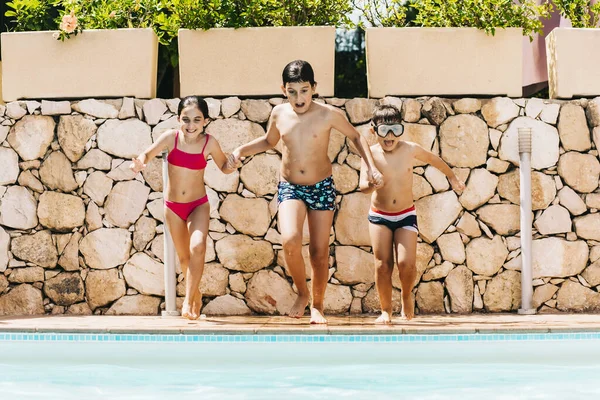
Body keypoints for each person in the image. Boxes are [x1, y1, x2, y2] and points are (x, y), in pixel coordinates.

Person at [228, 60, 383, 324]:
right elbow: (269, 141)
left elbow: (356, 137)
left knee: (319, 252)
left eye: (304, 90)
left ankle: (318, 306)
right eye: (292, 91)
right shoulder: (279, 114)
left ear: (314, 88)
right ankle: (302, 292)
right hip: (290, 186)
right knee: (289, 240)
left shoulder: (328, 114)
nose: (298, 98)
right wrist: (241, 150)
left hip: (321, 187)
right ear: (283, 89)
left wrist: (369, 167)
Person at [130, 96, 236, 320]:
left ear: (205, 121)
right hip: (173, 207)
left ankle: (188, 301)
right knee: (184, 258)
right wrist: (140, 161)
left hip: (198, 205)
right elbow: (147, 153)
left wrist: (233, 164)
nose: (191, 125)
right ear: (178, 119)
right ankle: (195, 295)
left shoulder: (209, 143)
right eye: (186, 119)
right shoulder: (171, 138)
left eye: (197, 120)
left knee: (198, 247)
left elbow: (224, 167)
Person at [359, 104, 465, 324]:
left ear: (402, 129)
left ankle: (406, 296)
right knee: (383, 264)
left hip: (406, 213)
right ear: (373, 130)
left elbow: (435, 160)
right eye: (383, 131)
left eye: (395, 130)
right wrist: (372, 185)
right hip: (380, 216)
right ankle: (386, 310)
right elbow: (362, 186)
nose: (390, 136)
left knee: (407, 264)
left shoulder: (410, 149)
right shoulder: (371, 155)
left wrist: (452, 178)